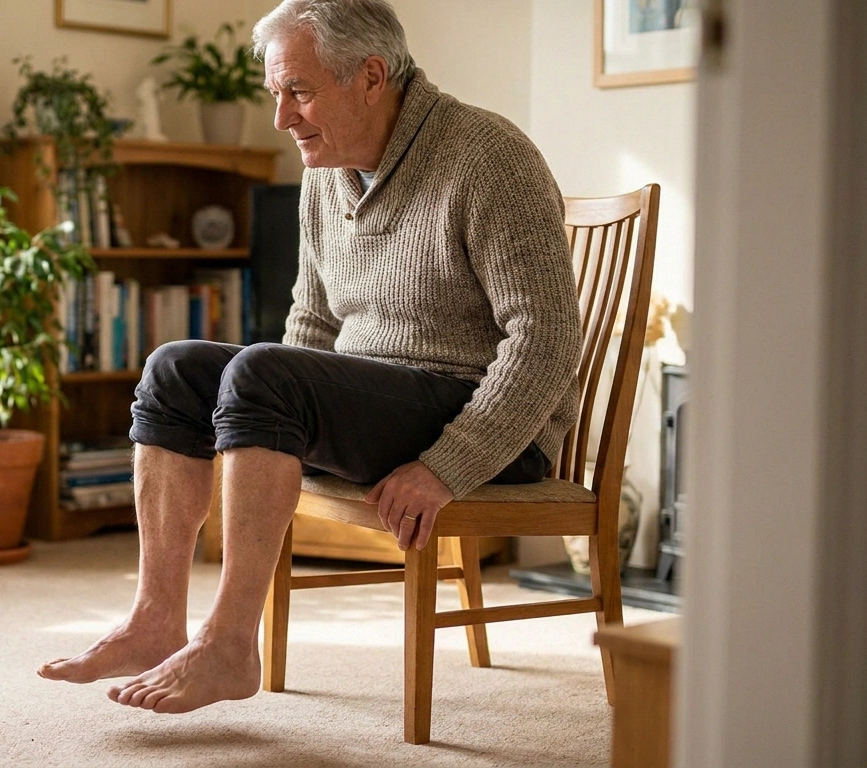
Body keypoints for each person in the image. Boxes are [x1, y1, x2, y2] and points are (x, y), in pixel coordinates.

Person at [38, 0, 581, 715]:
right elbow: (314, 320)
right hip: (375, 406)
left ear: (371, 76)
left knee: (263, 372)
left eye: (297, 91)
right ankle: (154, 619)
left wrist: (449, 464)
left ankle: (230, 643)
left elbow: (546, 338)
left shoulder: (488, 156)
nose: (282, 119)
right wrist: (275, 420)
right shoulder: (330, 168)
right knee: (175, 368)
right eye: (276, 95)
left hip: (480, 421)